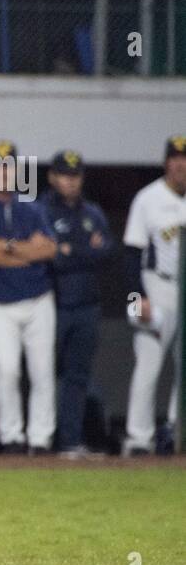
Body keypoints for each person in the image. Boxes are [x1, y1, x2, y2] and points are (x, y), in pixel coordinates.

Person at [0, 140, 58, 454]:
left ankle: (41, 439)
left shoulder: (31, 204)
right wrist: (25, 251)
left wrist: (6, 247)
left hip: (38, 300)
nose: (3, 172)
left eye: (8, 166)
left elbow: (49, 248)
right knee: (7, 371)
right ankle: (12, 438)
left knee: (42, 371)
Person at [41, 150, 112, 458]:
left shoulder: (93, 212)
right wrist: (83, 252)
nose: (70, 181)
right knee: (42, 373)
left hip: (87, 305)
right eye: (65, 175)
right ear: (52, 177)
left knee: (77, 376)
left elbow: (108, 252)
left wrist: (72, 251)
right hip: (52, 303)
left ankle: (70, 441)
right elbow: (50, 258)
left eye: (75, 175)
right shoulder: (41, 210)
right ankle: (37, 440)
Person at [122, 136, 186, 456]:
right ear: (166, 163)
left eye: (185, 158)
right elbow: (131, 254)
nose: (181, 164)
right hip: (156, 287)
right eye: (175, 158)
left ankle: (176, 430)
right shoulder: (147, 198)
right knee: (148, 363)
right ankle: (139, 438)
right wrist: (137, 300)